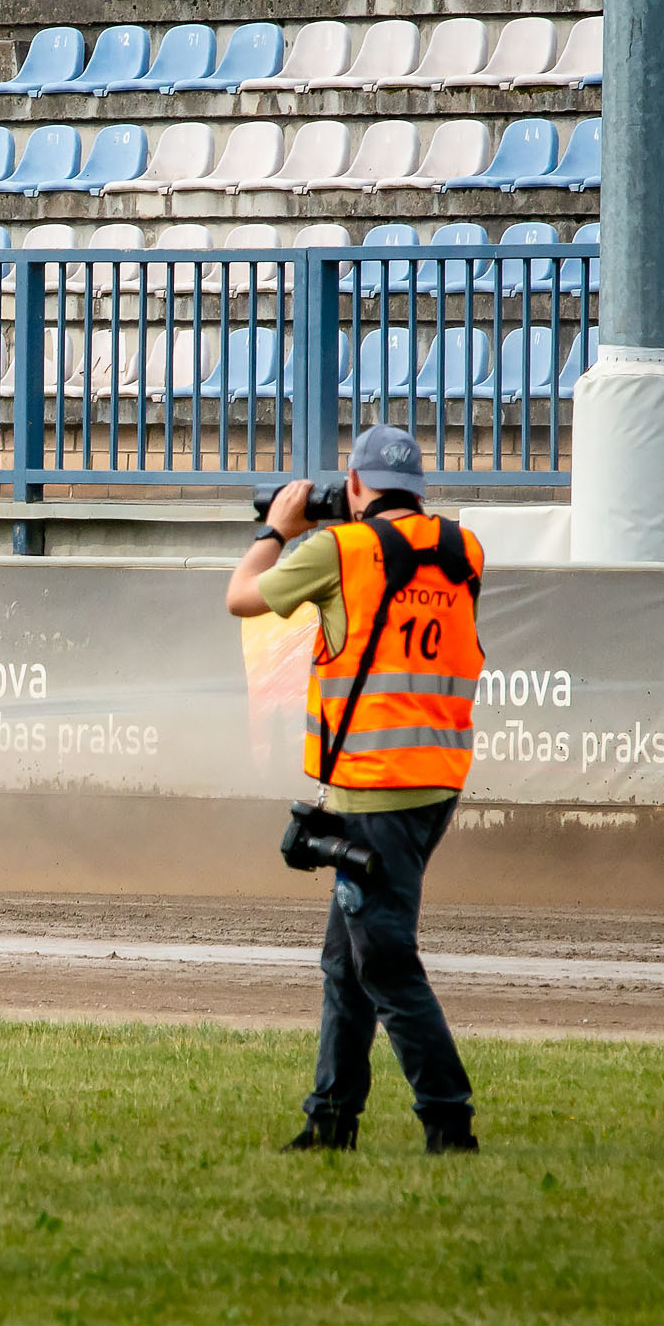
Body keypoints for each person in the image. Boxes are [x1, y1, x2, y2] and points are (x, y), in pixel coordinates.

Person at [225, 426, 484, 1156]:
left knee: (385, 960)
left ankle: (449, 1121)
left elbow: (241, 597)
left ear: (357, 484)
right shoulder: (463, 550)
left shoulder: (339, 550)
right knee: (348, 959)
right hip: (436, 783)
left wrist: (278, 529)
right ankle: (331, 1117)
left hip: (376, 787)